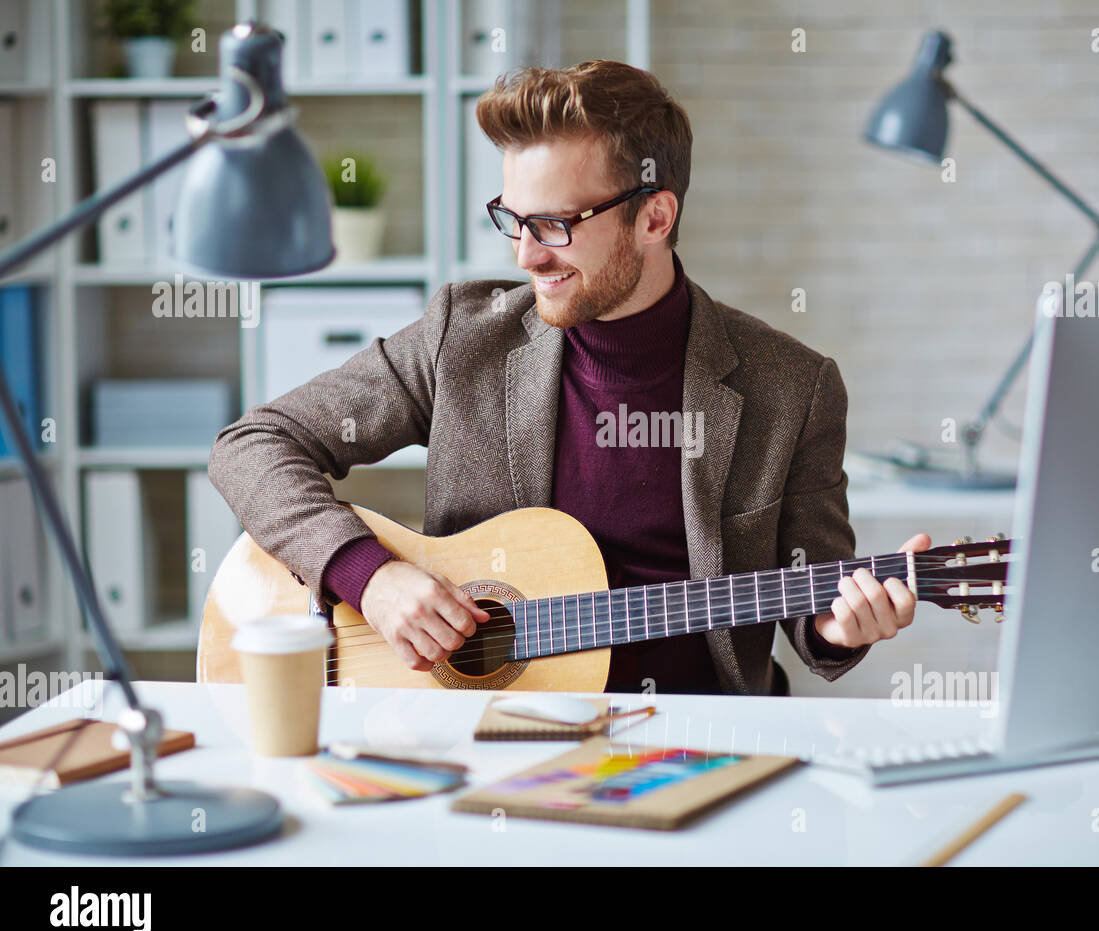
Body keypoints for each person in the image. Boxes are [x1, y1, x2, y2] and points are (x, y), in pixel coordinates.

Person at [208, 60, 930, 696]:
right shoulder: (464, 338)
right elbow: (253, 444)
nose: (525, 257)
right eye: (511, 221)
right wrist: (371, 576)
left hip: (705, 740)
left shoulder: (792, 389)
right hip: (484, 726)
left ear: (655, 216)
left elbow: (817, 607)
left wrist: (841, 628)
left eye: (553, 226)